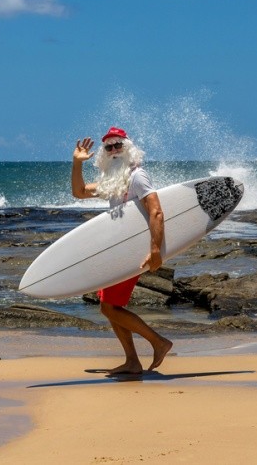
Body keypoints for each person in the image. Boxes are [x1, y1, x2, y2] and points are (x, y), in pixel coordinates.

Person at [71, 126, 173, 374]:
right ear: (104, 153)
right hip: (118, 249)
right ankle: (132, 362)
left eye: (118, 145)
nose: (114, 150)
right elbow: (79, 192)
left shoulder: (138, 176)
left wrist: (155, 250)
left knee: (109, 307)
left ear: (128, 148)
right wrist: (76, 164)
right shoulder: (113, 180)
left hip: (134, 251)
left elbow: (156, 211)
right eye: (109, 147)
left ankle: (159, 342)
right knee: (109, 306)